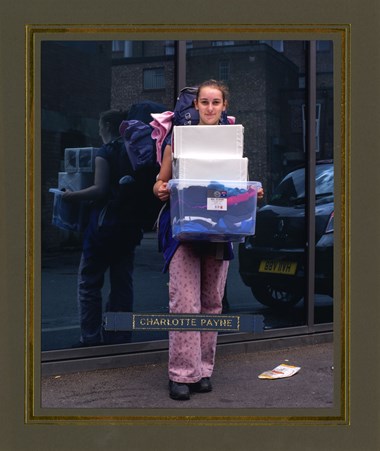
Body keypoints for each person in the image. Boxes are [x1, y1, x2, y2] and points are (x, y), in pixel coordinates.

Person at [153, 79, 264, 400]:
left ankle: (203, 370)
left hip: (219, 232)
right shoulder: (178, 139)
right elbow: (159, 183)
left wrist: (252, 194)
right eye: (204, 102)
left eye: (216, 102)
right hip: (184, 232)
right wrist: (161, 189)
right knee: (185, 304)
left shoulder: (232, 141)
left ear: (224, 105)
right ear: (196, 105)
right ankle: (180, 375)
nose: (210, 108)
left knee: (212, 305)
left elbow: (235, 187)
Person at [63, 109, 144, 346]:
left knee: (89, 282)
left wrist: (72, 196)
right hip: (128, 229)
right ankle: (119, 336)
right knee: (122, 284)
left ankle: (90, 337)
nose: (99, 132)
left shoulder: (106, 152)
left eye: (100, 127)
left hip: (103, 228)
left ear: (108, 126)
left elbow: (99, 189)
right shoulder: (134, 151)